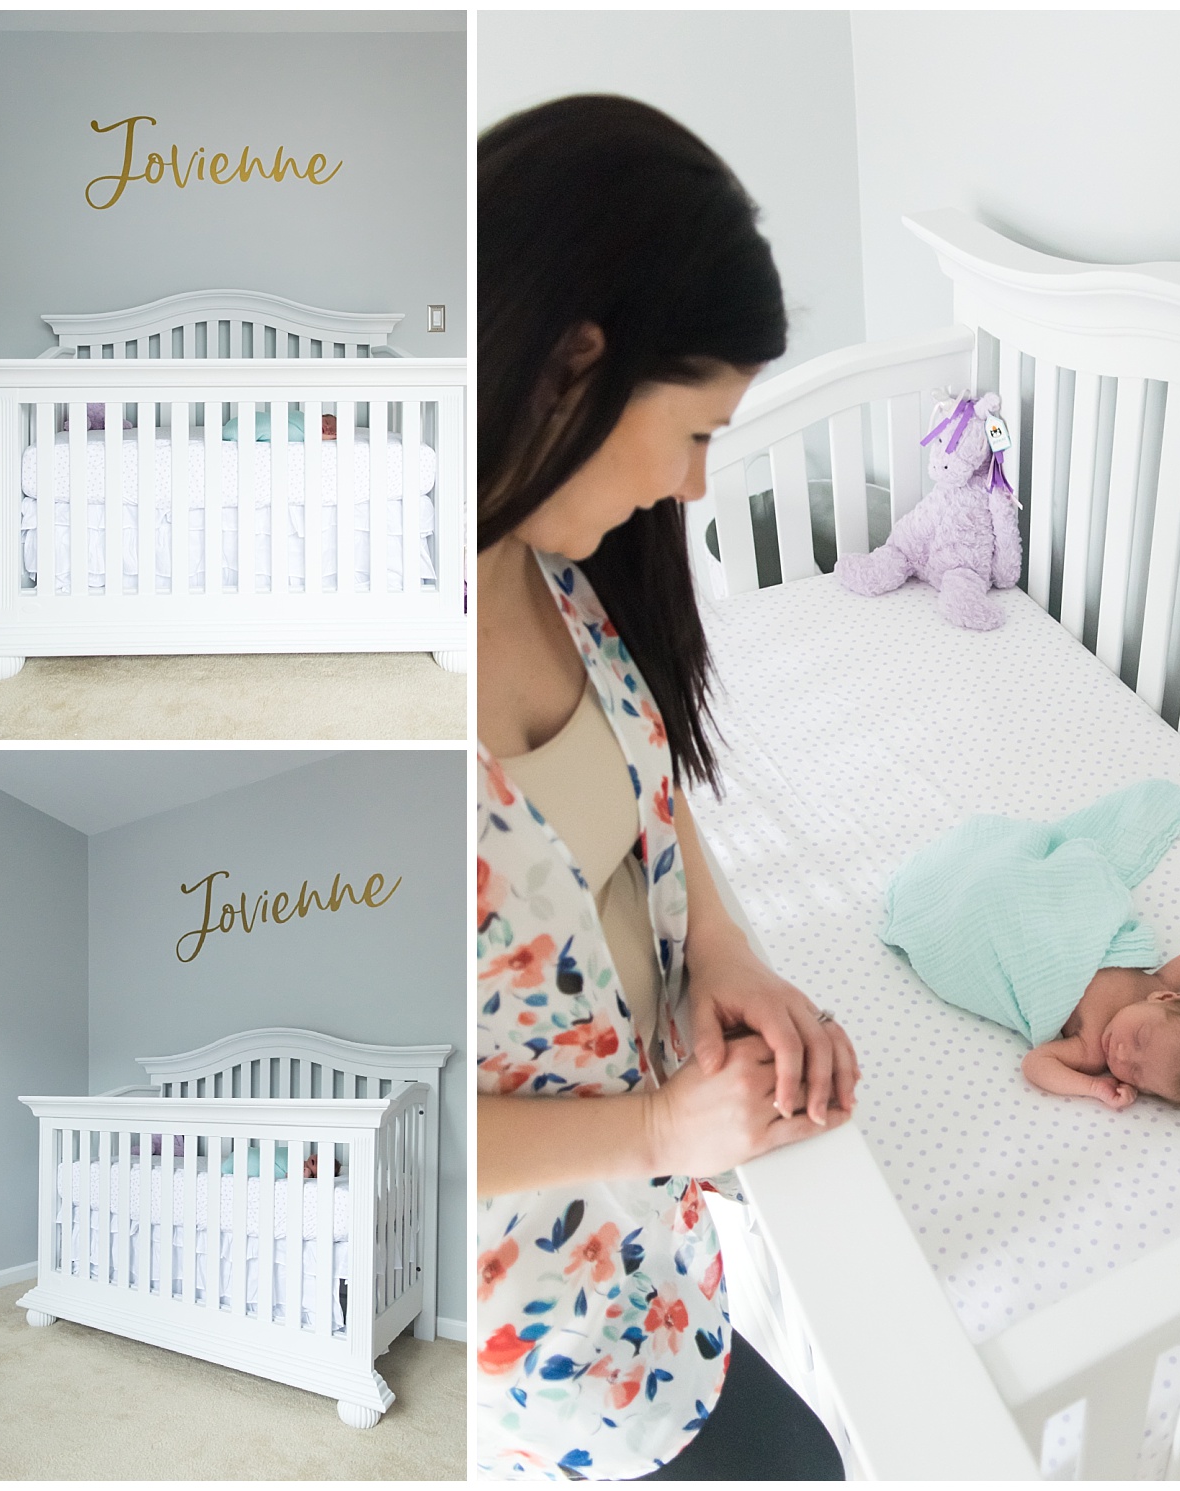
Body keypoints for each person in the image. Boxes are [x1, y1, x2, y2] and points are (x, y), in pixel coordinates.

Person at [478, 94, 859, 1481]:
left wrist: (722, 951)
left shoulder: (558, 574)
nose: (699, 487)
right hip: (531, 1332)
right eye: (696, 431)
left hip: (654, 1244)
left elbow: (635, 792)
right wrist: (654, 1124)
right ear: (579, 359)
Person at [1021, 951, 1180, 1109]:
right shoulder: (1159, 986)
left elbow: (1036, 1062)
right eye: (1139, 1037)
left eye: (1135, 1073)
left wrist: (1094, 1087)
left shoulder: (1090, 1050)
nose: (1120, 1054)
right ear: (1165, 998)